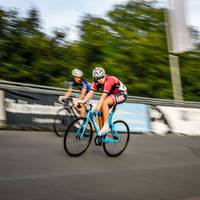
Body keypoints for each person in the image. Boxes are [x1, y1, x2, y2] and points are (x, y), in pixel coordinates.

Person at [77, 67, 127, 136]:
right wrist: (83, 101)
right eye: (97, 78)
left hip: (121, 94)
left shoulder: (109, 80)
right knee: (100, 111)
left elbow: (103, 98)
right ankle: (102, 133)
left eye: (101, 77)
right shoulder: (95, 81)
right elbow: (90, 92)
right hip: (111, 94)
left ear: (104, 75)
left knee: (104, 103)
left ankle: (106, 126)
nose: (100, 80)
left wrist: (97, 108)